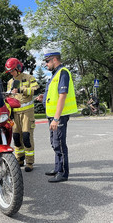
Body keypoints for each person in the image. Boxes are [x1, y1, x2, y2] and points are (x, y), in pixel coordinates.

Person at [36, 51, 78, 182]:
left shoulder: (63, 72)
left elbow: (63, 95)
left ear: (54, 60)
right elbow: (55, 95)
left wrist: (56, 118)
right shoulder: (55, 74)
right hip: (52, 115)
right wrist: (44, 98)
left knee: (59, 143)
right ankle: (57, 167)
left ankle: (63, 173)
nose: (46, 64)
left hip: (58, 116)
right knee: (54, 143)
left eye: (47, 61)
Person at [5, 58, 39, 172]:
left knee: (26, 136)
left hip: (27, 113)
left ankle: (29, 162)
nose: (11, 73)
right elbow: (9, 97)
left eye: (12, 70)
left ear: (18, 68)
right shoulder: (10, 82)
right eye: (9, 71)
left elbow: (36, 90)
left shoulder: (29, 78)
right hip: (15, 113)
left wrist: (20, 89)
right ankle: (19, 159)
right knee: (16, 137)